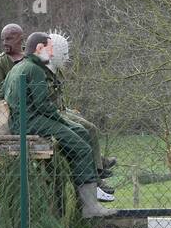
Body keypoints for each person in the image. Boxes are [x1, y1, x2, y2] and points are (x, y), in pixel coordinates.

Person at [4, 32, 113, 219]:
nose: (53, 52)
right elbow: (43, 105)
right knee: (81, 147)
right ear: (39, 48)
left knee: (80, 131)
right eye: (50, 47)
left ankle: (92, 190)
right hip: (32, 122)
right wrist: (61, 121)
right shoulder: (35, 69)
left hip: (22, 121)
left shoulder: (17, 68)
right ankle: (89, 205)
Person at [44, 31, 117, 202]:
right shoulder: (42, 71)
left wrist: (68, 110)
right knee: (87, 129)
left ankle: (99, 165)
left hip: (61, 108)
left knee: (90, 126)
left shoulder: (55, 70)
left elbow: (58, 97)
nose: (67, 58)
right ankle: (98, 173)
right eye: (64, 53)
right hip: (54, 113)